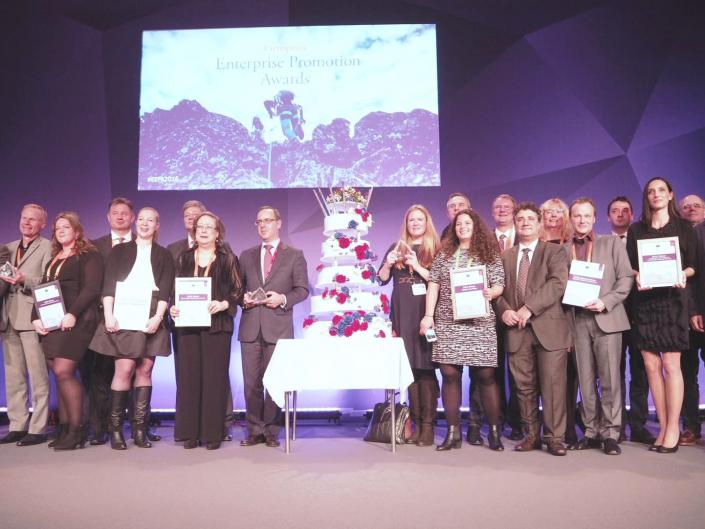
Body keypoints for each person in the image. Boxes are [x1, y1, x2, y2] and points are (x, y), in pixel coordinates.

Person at [420, 209, 506, 451]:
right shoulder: (444, 254)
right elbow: (433, 284)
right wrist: (428, 315)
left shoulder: (489, 253)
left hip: (480, 322)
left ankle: (495, 432)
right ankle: (453, 433)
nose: (463, 227)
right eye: (459, 224)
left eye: (467, 223)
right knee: (449, 375)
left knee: (486, 376)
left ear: (476, 226)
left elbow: (500, 284)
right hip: (448, 322)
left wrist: (492, 292)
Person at [89, 207, 173, 450]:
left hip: (151, 316)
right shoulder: (120, 251)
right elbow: (108, 286)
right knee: (124, 369)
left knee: (145, 370)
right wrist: (109, 315)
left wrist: (158, 317)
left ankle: (140, 429)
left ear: (157, 225)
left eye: (151, 220)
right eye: (142, 219)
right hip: (123, 315)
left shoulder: (164, 254)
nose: (145, 224)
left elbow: (165, 290)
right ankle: (116, 429)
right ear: (137, 223)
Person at [626, 177, 697, 453]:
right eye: (650, 191)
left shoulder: (684, 228)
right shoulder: (636, 229)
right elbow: (631, 266)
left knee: (670, 364)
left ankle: (673, 429)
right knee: (651, 366)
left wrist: (682, 273)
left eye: (661, 190)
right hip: (645, 303)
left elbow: (693, 265)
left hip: (673, 301)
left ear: (670, 195)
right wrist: (638, 275)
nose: (655, 194)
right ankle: (665, 425)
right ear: (647, 197)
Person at [496, 202, 572, 456]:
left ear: (539, 223)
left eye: (530, 218)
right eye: (520, 219)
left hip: (549, 329)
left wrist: (529, 308)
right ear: (515, 224)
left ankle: (554, 437)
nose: (525, 222)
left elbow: (558, 283)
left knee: (553, 386)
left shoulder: (555, 251)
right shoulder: (505, 256)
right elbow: (497, 290)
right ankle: (531, 435)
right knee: (523, 387)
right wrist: (504, 310)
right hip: (516, 330)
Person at [564, 198, 633, 455]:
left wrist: (605, 302)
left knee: (610, 380)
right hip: (578, 321)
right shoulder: (563, 250)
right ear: (571, 219)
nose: (582, 220)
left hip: (607, 318)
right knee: (585, 380)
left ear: (594, 218)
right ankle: (591, 431)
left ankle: (611, 433)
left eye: (586, 215)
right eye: (577, 215)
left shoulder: (611, 243)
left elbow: (626, 278)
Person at [170, 212, 243, 450]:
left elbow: (238, 291)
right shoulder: (183, 257)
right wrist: (173, 307)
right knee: (189, 379)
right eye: (199, 226)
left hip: (217, 326)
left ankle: (212, 434)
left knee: (214, 379)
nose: (203, 230)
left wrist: (223, 304)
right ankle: (190, 433)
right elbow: (174, 290)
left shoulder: (227, 259)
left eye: (208, 227)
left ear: (217, 233)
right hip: (187, 327)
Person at [238, 206, 309, 447]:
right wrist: (242, 299)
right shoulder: (246, 255)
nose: (263, 225)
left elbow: (302, 290)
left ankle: (271, 431)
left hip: (278, 327)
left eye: (267, 220)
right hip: (250, 327)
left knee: (275, 382)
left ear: (278, 223)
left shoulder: (294, 255)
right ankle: (254, 430)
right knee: (251, 383)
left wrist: (283, 299)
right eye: (259, 221)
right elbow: (237, 290)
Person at [31, 212, 103, 450]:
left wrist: (72, 313)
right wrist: (35, 318)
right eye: (57, 228)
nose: (60, 230)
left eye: (66, 227)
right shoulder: (54, 258)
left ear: (77, 231)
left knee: (64, 372)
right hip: (52, 324)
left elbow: (91, 289)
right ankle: (64, 429)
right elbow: (42, 290)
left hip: (77, 321)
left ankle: (77, 429)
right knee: (59, 375)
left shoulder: (88, 255)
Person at [379, 204, 441, 447]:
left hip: (424, 313)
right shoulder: (396, 247)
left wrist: (418, 266)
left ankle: (428, 425)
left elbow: (440, 280)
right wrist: (388, 264)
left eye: (419, 219)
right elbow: (382, 279)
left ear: (427, 223)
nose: (415, 223)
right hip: (402, 313)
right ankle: (414, 423)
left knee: (426, 368)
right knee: (410, 370)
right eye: (411, 220)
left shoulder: (435, 248)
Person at [0, 204, 52, 446]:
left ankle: (38, 427)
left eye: (32, 219)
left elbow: (49, 280)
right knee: (14, 376)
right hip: (8, 317)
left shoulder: (48, 247)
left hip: (32, 317)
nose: (27, 223)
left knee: (38, 376)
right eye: (24, 218)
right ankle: (17, 424)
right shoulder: (8, 248)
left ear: (42, 224)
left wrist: (24, 279)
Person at [88, 197, 135, 445]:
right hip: (102, 317)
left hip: (135, 318)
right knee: (101, 374)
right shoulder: (95, 246)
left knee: (135, 372)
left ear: (132, 218)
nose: (119, 216)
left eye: (124, 213)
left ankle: (137, 427)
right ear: (108, 217)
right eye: (115, 213)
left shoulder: (143, 243)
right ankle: (99, 428)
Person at [607, 195, 654, 444]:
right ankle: (616, 425)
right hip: (611, 315)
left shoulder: (643, 243)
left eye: (625, 210)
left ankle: (638, 424)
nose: (620, 214)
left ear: (632, 215)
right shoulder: (601, 244)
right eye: (615, 210)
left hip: (640, 314)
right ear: (608, 217)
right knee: (613, 373)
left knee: (640, 372)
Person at [539, 197, 580, 445]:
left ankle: (568, 427)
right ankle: (540, 427)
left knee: (568, 375)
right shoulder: (532, 243)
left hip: (567, 312)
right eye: (548, 211)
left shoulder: (573, 244)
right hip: (538, 315)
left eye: (558, 211)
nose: (553, 215)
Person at [490, 193, 523, 441]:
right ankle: (496, 419)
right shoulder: (484, 239)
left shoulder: (526, 236)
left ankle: (517, 421)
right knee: (492, 371)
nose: (502, 210)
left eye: (507, 207)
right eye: (497, 207)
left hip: (519, 314)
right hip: (490, 313)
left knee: (518, 372)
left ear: (515, 211)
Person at [678, 194, 705, 446]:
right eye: (686, 206)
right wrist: (692, 310)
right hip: (684, 314)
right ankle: (691, 427)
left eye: (697, 205)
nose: (691, 209)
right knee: (687, 373)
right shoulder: (677, 237)